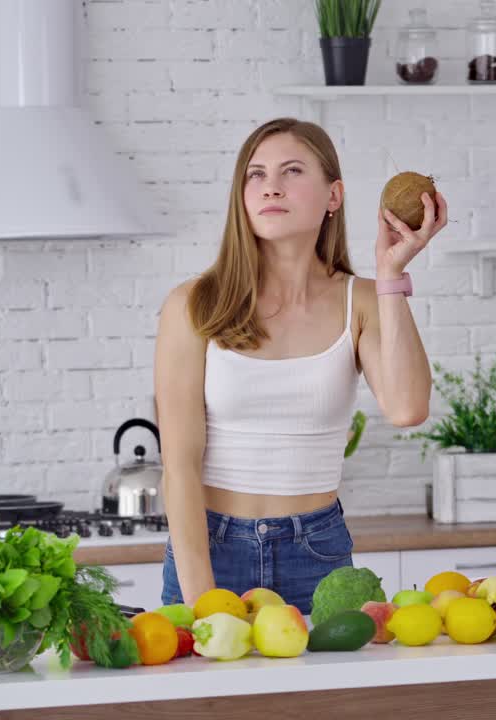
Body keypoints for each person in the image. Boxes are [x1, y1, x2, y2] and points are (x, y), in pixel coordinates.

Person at [153, 117, 446, 614]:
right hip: (210, 551)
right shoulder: (192, 304)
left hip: (317, 551)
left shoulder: (366, 300)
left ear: (334, 196)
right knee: (211, 695)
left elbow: (407, 407)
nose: (270, 186)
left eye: (291, 171)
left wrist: (391, 274)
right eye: (255, 174)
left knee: (329, 696)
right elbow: (178, 466)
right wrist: (206, 606)